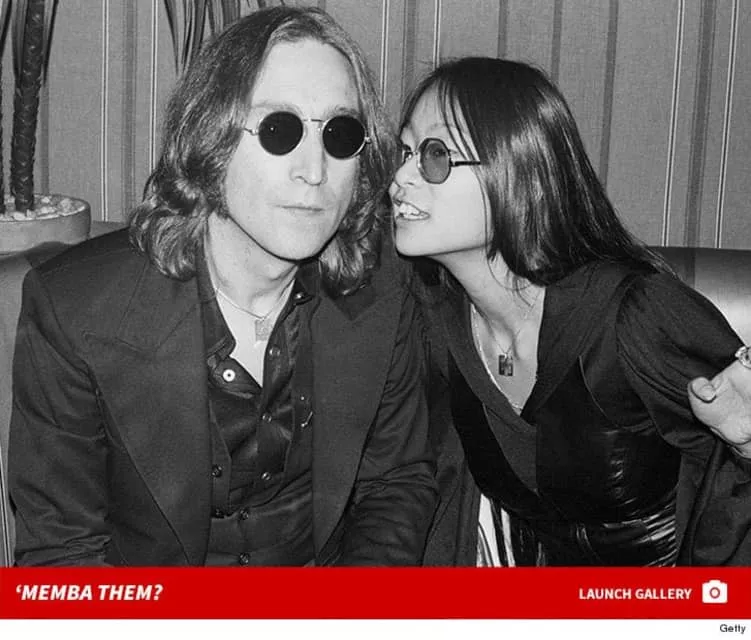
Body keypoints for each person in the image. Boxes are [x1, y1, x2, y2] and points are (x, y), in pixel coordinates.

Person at [8, 6, 437, 566]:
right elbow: (65, 554)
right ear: (210, 137)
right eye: (279, 130)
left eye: (340, 134)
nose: (315, 170)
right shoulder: (76, 310)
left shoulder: (382, 289)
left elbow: (395, 485)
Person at [390, 56, 751, 566]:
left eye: (435, 154)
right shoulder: (435, 321)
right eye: (405, 151)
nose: (400, 177)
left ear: (521, 174)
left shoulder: (633, 315)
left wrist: (746, 446)